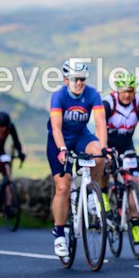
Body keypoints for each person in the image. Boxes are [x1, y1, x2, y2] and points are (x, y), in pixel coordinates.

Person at [47, 58, 108, 258]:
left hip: (81, 136)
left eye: (82, 79)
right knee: (63, 187)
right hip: (59, 140)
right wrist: (62, 149)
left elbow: (100, 124)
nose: (80, 83)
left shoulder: (92, 94)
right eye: (75, 79)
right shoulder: (59, 96)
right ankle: (59, 233)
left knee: (99, 154)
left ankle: (91, 193)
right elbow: (56, 127)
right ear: (66, 80)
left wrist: (105, 148)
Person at [103, 72, 139, 243]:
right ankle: (104, 196)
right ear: (117, 90)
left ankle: (135, 226)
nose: (127, 95)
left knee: (134, 184)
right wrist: (105, 149)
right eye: (124, 91)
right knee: (105, 168)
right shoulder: (108, 103)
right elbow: (100, 128)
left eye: (130, 91)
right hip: (108, 143)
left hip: (127, 145)